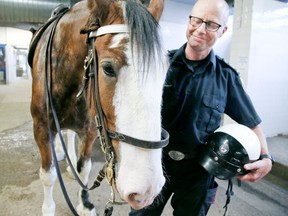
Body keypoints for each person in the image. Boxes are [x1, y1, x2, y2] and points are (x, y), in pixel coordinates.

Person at [129, 0, 273, 215]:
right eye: (196, 20)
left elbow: (252, 124)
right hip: (155, 164)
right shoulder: (158, 65)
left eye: (211, 24)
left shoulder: (226, 78)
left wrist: (267, 160)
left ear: (223, 30)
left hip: (199, 171)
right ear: (189, 20)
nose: (200, 29)